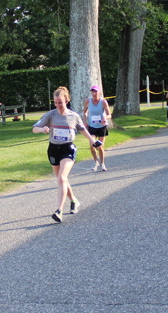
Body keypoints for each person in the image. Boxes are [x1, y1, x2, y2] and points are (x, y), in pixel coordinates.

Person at [33, 86, 102, 223]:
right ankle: (74, 201)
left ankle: (59, 210)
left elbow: (82, 130)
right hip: (53, 149)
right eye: (56, 102)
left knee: (62, 177)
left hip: (68, 148)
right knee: (61, 180)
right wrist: (42, 129)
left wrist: (92, 141)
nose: (58, 105)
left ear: (67, 101)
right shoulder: (50, 115)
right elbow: (34, 128)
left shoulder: (73, 116)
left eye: (60, 102)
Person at [82, 85, 112, 171]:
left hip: (102, 126)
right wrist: (85, 121)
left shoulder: (103, 102)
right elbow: (84, 112)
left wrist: (105, 118)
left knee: (100, 146)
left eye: (96, 92)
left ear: (99, 93)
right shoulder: (88, 101)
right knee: (92, 145)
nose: (94, 93)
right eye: (92, 92)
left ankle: (102, 164)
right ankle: (95, 162)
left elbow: (109, 115)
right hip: (92, 126)